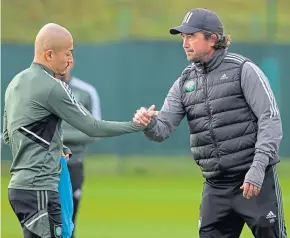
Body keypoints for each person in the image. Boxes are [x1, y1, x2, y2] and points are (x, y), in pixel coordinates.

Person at [133, 8, 287, 238]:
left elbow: (270, 119)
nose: (185, 43)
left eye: (191, 36)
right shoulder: (184, 81)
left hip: (254, 180)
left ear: (213, 38)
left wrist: (256, 170)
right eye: (183, 37)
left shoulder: (243, 69)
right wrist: (147, 124)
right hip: (215, 186)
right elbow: (162, 128)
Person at [3, 23, 145, 238]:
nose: (70, 61)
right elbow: (93, 127)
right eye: (67, 53)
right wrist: (136, 125)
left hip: (18, 189)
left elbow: (8, 135)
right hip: (41, 189)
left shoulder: (15, 83)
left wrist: (57, 145)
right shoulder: (52, 86)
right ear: (49, 54)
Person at [59, 63, 102, 237]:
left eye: (67, 56)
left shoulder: (86, 92)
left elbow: (96, 131)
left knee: (69, 222)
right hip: (43, 165)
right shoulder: (39, 90)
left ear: (72, 61)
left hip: (73, 164)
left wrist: (57, 137)